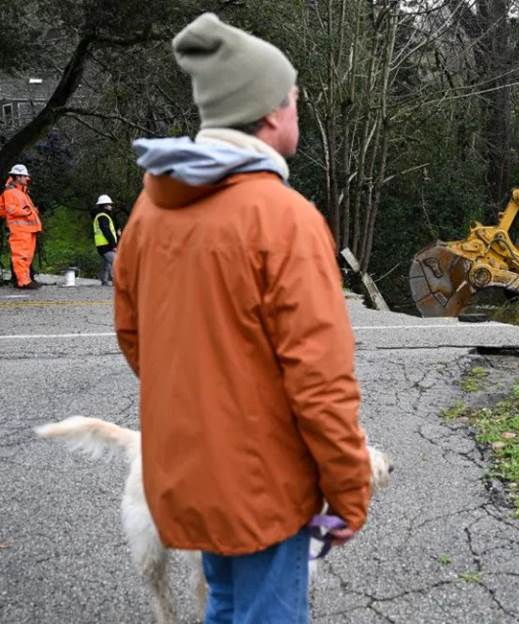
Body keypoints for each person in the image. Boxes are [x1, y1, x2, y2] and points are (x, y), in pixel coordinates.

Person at [113, 14, 371, 624]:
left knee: (226, 604)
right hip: (264, 487)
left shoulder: (149, 215)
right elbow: (321, 383)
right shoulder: (284, 218)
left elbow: (134, 338)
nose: (298, 112)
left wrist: (202, 411)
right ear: (272, 111)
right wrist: (349, 492)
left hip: (195, 471)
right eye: (295, 100)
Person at [1, 164, 42, 289]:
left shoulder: (21, 192)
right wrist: (28, 212)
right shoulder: (11, 192)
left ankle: (26, 280)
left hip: (28, 229)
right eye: (24, 176)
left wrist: (33, 211)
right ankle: (23, 282)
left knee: (27, 257)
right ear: (17, 177)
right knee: (21, 256)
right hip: (20, 230)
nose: (27, 178)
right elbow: (11, 209)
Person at [93, 194, 119, 285]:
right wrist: (114, 245)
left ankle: (104, 281)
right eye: (109, 204)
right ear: (105, 205)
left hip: (101, 245)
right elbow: (106, 231)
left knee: (106, 264)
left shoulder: (100, 216)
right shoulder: (103, 216)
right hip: (106, 245)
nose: (111, 206)